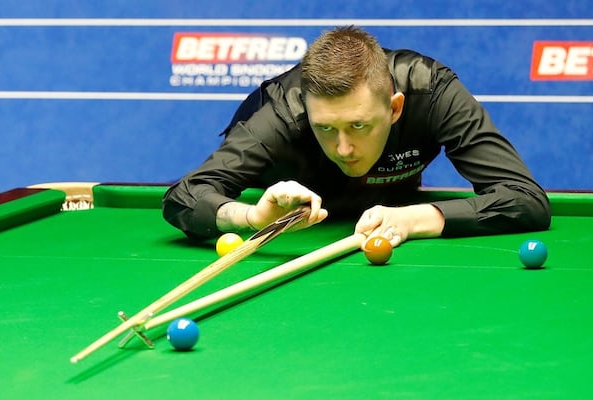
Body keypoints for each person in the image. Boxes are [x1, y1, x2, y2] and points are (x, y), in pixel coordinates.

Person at [162, 26, 551, 246]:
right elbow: (184, 196)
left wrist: (417, 218)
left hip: (387, 203)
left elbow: (526, 199)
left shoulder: (431, 93)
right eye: (325, 129)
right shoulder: (282, 111)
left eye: (359, 126)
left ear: (395, 108)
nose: (344, 148)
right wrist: (253, 216)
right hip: (296, 216)